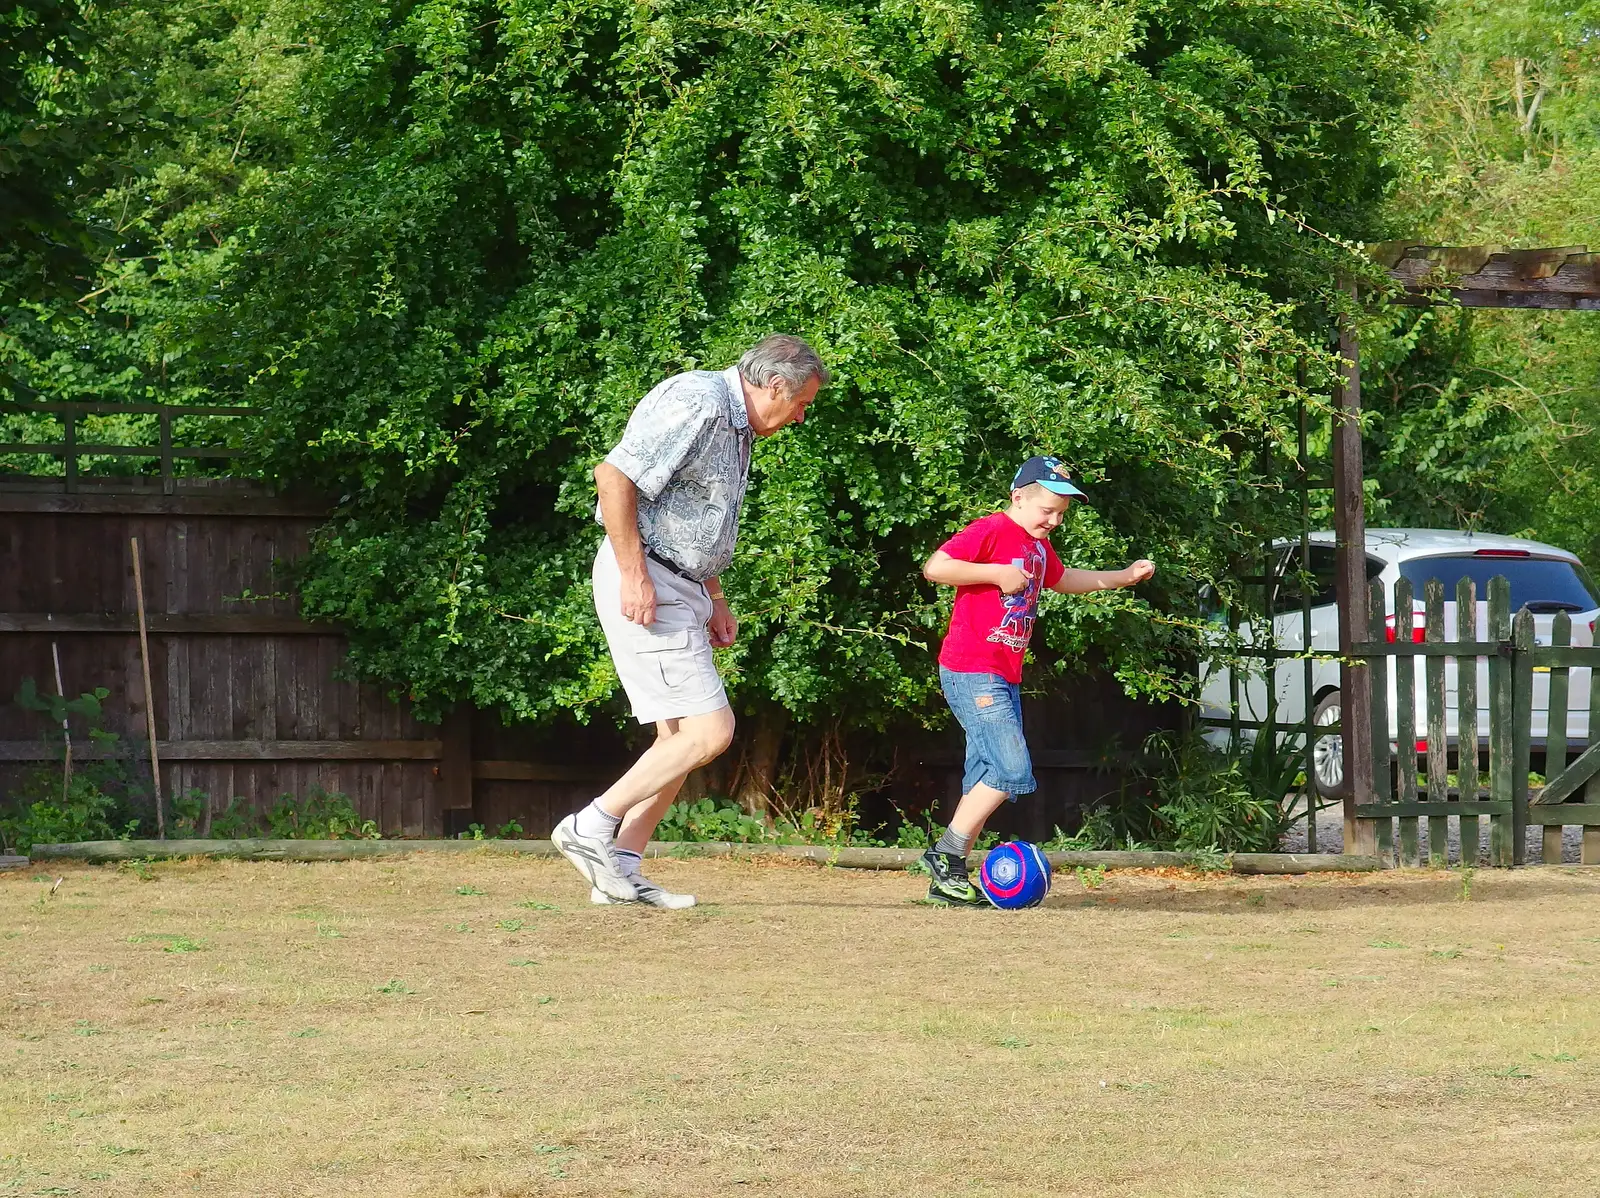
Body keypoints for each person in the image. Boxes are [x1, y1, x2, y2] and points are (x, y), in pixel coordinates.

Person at [552, 335, 830, 908]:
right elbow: (613, 479)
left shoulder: (738, 426)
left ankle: (621, 866)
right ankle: (590, 826)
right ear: (775, 385)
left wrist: (717, 596)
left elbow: (701, 520)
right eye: (802, 402)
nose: (802, 416)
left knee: (679, 738)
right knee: (711, 732)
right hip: (649, 575)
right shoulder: (699, 402)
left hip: (684, 582)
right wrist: (635, 576)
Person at [919, 456, 1156, 905]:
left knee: (983, 775)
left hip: (1001, 674)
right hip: (972, 670)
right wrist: (994, 572)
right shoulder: (991, 530)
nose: (1054, 519)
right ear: (1018, 497)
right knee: (1010, 770)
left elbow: (1063, 579)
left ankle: (945, 883)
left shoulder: (1036, 546)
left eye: (1062, 513)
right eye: (1047, 509)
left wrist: (1124, 578)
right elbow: (937, 566)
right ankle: (946, 853)